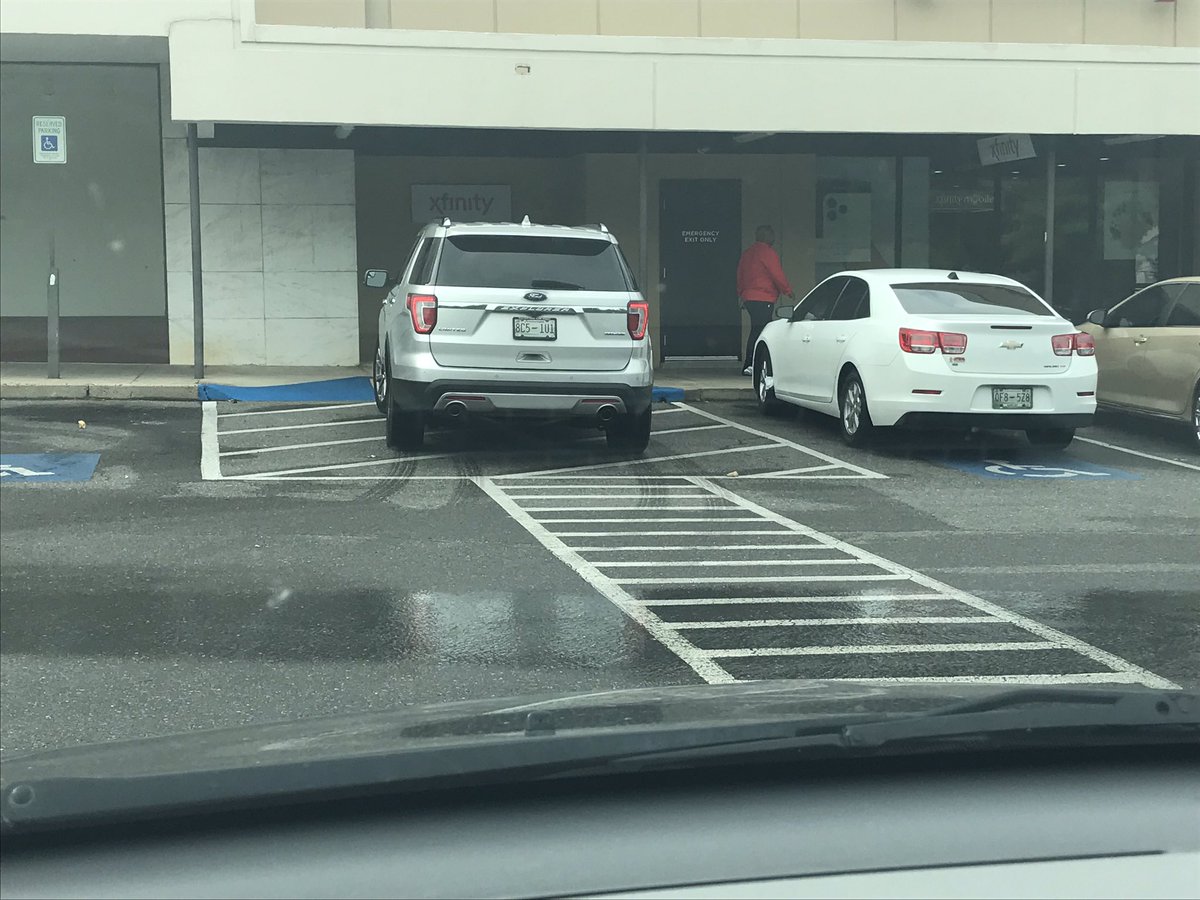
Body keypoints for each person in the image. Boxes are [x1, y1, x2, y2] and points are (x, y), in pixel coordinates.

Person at [736, 225, 794, 375]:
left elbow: (740, 275)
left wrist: (741, 294)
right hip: (764, 297)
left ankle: (751, 364)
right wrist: (787, 291)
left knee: (756, 329)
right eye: (772, 235)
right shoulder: (768, 253)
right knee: (761, 332)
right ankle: (752, 364)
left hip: (749, 297)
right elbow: (777, 274)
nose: (773, 238)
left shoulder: (748, 253)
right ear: (767, 236)